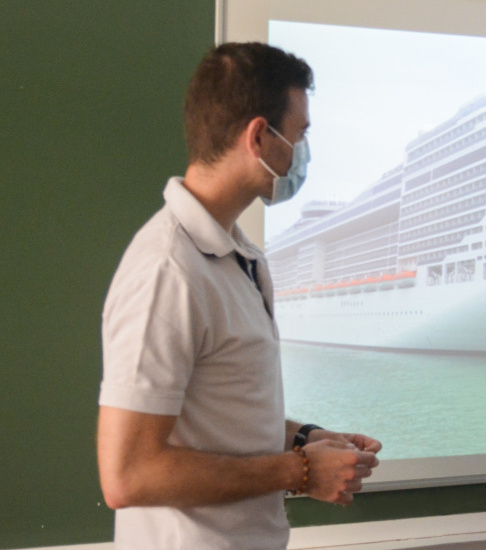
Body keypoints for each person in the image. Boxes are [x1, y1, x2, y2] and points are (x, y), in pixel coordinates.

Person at [97, 42, 381, 549]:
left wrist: (304, 439)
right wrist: (298, 470)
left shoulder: (240, 255)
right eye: (300, 134)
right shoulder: (167, 270)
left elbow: (223, 418)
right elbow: (128, 476)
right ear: (259, 136)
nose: (302, 152)